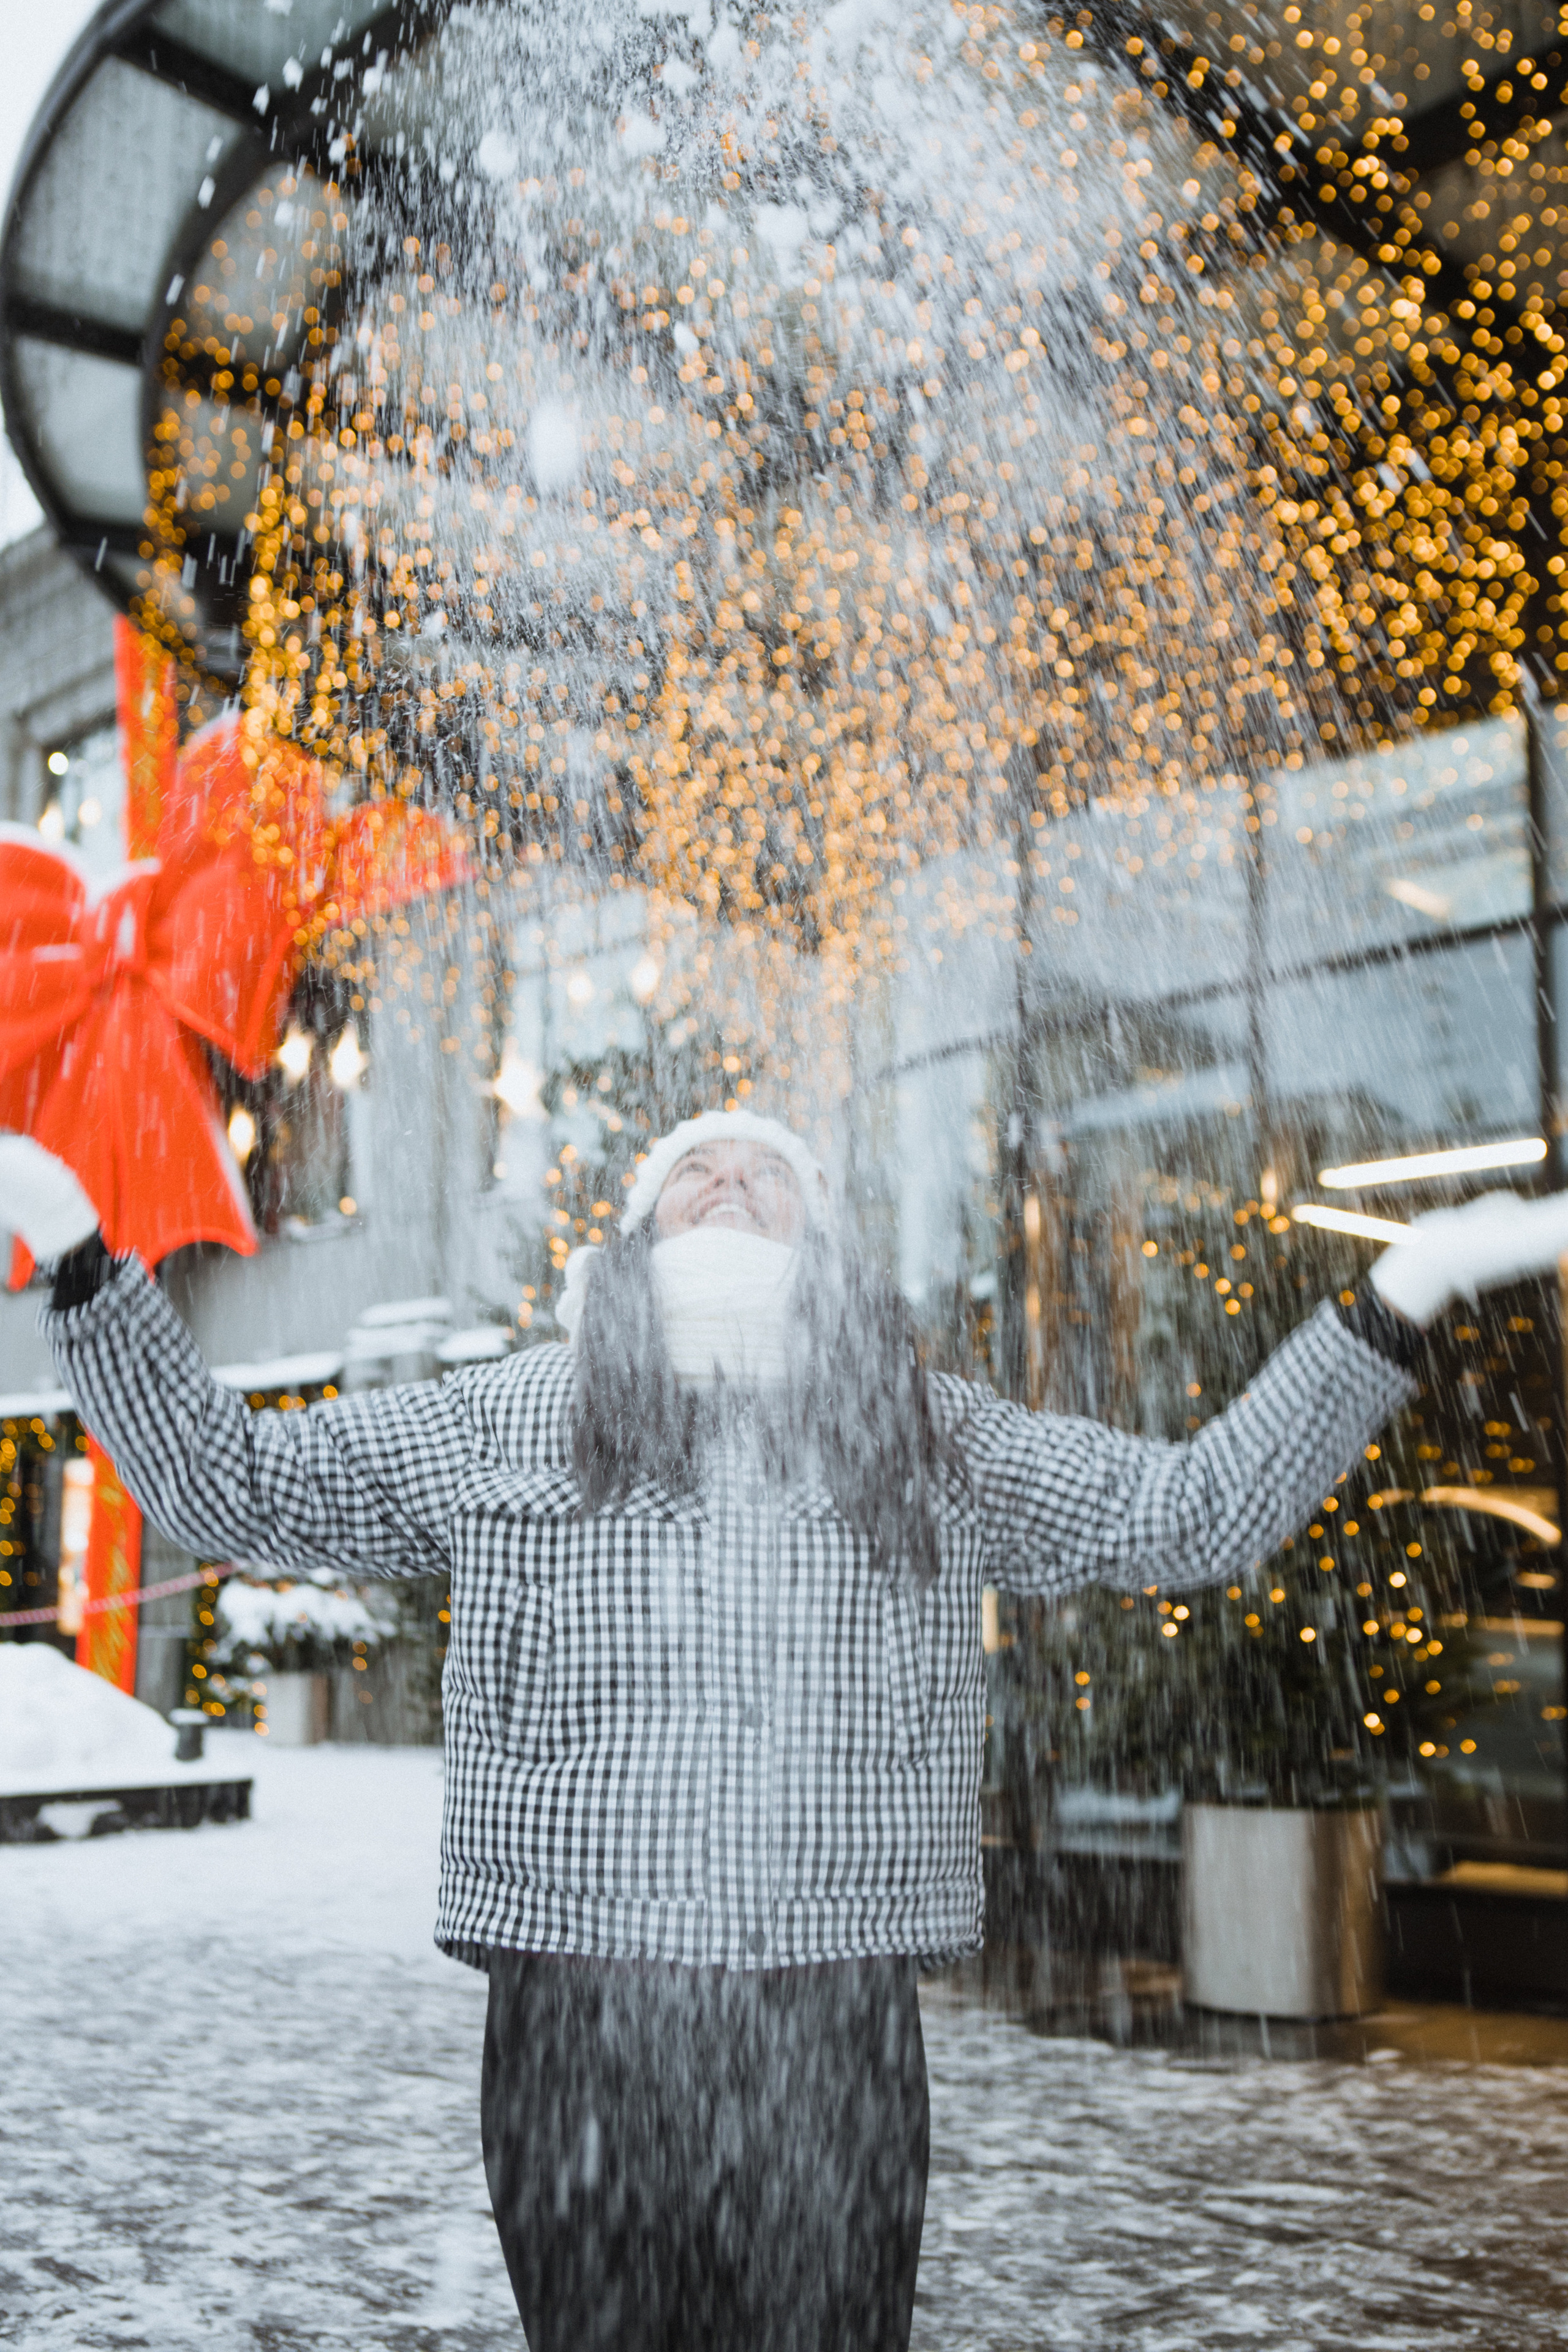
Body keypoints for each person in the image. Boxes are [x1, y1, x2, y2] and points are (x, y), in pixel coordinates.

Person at [4, 1112, 1567, 2352]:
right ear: (634, 1225)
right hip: (579, 2018)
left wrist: (1394, 1299)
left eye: (769, 1171)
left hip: (830, 2024)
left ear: (820, 1234)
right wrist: (82, 1261)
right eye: (698, 1166)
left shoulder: (918, 1426)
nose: (733, 1182)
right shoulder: (509, 1411)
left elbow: (1190, 1512)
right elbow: (234, 1489)